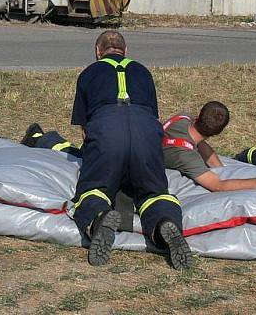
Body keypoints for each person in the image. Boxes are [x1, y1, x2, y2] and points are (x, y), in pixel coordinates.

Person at [65, 30, 191, 268]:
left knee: (94, 189)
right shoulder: (143, 71)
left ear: (97, 52)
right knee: (153, 192)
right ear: (126, 51)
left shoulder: (88, 74)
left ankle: (98, 218)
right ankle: (164, 224)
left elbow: (85, 131)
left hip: (106, 127)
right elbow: (153, 116)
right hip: (145, 128)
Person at [22, 101, 256, 199]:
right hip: (125, 162)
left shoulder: (181, 119)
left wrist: (216, 161)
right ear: (218, 133)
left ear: (197, 115)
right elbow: (217, 186)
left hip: (121, 143)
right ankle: (38, 138)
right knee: (75, 156)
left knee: (76, 151)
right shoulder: (186, 156)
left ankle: (43, 137)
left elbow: (202, 143)